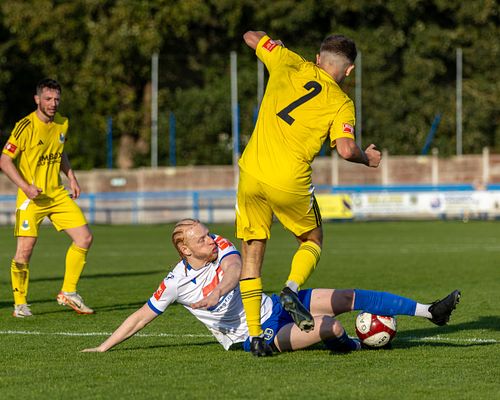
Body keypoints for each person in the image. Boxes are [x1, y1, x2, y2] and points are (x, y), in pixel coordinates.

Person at [81, 219, 461, 355]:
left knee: (347, 296)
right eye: (201, 239)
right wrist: (103, 346)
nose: (210, 240)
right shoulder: (174, 283)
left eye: (208, 234)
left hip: (273, 306)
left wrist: (219, 291)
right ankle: (359, 344)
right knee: (333, 327)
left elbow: (236, 270)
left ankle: (430, 311)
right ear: (184, 249)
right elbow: (141, 317)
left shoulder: (221, 247)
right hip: (253, 334)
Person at [236, 31, 382, 355]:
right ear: (349, 70)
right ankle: (291, 288)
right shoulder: (341, 102)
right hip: (288, 179)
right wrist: (367, 158)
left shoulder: (288, 61)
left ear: (318, 58)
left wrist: (274, 46)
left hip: (251, 173)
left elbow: (250, 36)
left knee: (252, 250)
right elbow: (346, 149)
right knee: (312, 240)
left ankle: (256, 336)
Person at [0, 78, 94, 317]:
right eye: (48, 99)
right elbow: (5, 161)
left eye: (57, 99)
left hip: (56, 195)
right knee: (25, 250)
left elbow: (60, 153)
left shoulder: (62, 123)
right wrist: (25, 186)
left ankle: (68, 292)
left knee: (84, 238)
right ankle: (20, 304)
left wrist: (71, 177)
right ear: (37, 99)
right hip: (31, 199)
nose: (53, 104)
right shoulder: (25, 126)